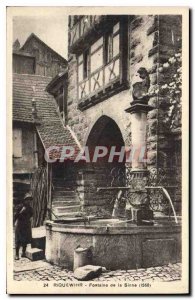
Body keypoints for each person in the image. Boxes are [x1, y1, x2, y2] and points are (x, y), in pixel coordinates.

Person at [14, 193, 33, 260]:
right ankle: (16, 254)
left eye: (30, 200)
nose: (28, 201)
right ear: (24, 200)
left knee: (25, 239)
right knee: (18, 240)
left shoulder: (30, 208)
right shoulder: (19, 207)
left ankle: (23, 253)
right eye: (27, 200)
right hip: (19, 225)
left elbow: (31, 215)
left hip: (26, 225)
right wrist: (21, 211)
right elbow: (15, 216)